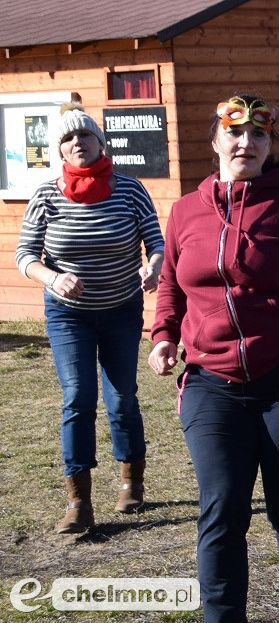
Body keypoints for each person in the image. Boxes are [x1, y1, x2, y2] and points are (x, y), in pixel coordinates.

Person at [148, 94, 279, 623]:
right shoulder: (186, 211)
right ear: (215, 140)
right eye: (235, 132)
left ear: (269, 144)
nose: (246, 142)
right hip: (210, 383)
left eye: (258, 134)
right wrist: (164, 335)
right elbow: (171, 283)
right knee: (222, 509)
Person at [14, 102, 164, 534]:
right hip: (69, 316)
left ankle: (131, 480)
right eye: (68, 138)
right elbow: (25, 255)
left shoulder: (130, 190)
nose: (77, 142)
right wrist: (53, 277)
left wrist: (154, 267)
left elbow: (156, 242)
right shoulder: (46, 196)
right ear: (60, 150)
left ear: (100, 143)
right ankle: (78, 501)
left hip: (121, 310)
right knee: (78, 397)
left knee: (121, 398)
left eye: (84, 135)